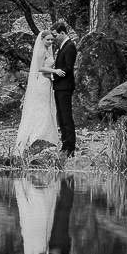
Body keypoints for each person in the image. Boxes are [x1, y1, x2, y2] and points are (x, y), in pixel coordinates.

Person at [14, 30, 61, 155]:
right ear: (42, 40)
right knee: (42, 108)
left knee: (46, 108)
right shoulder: (41, 51)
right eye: (48, 40)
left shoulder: (47, 50)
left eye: (52, 40)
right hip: (42, 83)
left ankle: (47, 137)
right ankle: (37, 136)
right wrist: (55, 71)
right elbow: (39, 68)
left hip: (47, 81)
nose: (50, 42)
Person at [50, 20, 76, 157]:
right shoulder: (62, 46)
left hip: (65, 87)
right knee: (61, 116)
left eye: (55, 35)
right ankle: (65, 144)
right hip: (60, 87)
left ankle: (70, 147)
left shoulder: (70, 46)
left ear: (62, 33)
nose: (54, 38)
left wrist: (54, 76)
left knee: (66, 117)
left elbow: (68, 68)